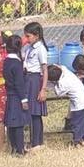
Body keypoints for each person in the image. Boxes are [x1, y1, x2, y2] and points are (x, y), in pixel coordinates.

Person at [44, 60, 84, 145]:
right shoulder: (65, 71)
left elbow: (58, 93)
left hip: (80, 104)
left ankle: (77, 141)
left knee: (77, 123)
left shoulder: (64, 83)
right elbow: (59, 66)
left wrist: (50, 84)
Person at [21, 22, 51, 150]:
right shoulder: (28, 48)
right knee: (29, 112)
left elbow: (44, 70)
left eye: (28, 36)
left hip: (35, 80)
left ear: (37, 36)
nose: (26, 39)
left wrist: (43, 89)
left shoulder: (40, 49)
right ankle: (33, 141)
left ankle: (37, 142)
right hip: (27, 78)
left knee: (35, 112)